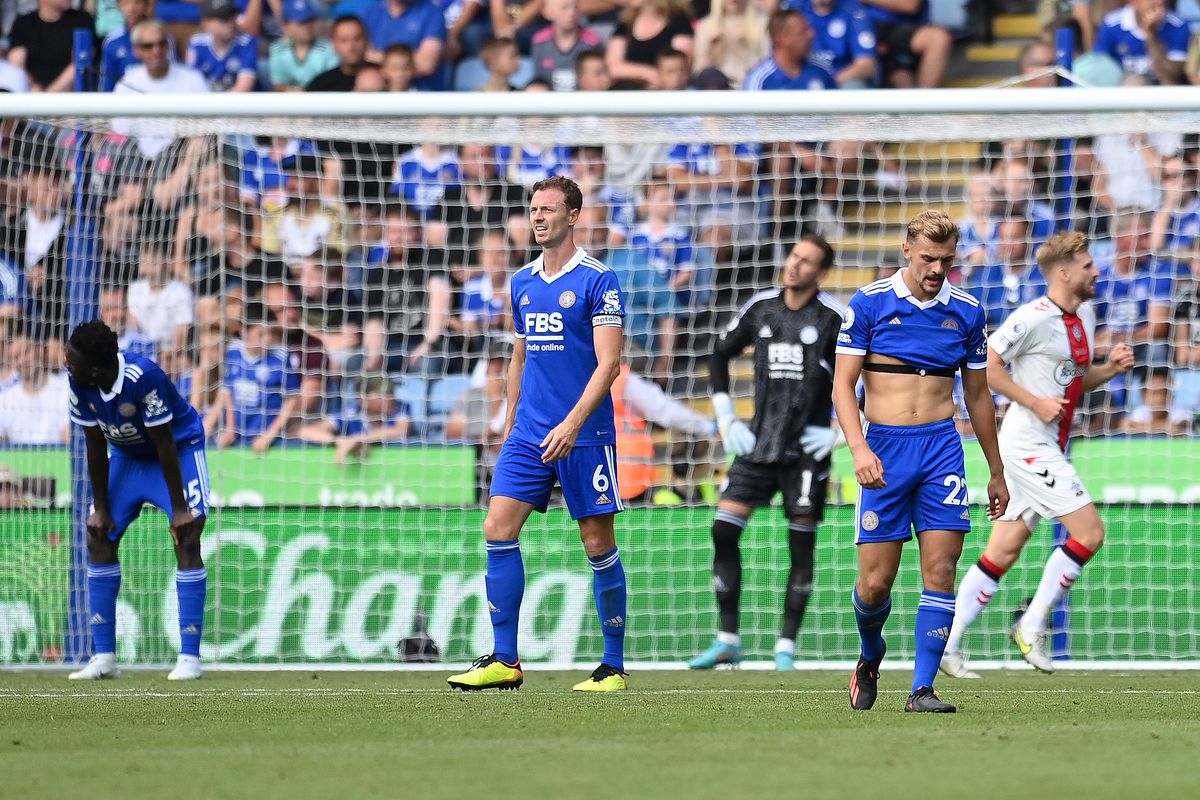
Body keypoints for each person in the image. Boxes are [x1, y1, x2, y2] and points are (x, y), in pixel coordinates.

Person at [446, 175, 628, 692]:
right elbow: (519, 356)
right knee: (497, 529)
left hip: (585, 434)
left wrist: (572, 423)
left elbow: (610, 363)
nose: (538, 218)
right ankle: (505, 660)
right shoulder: (522, 281)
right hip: (529, 432)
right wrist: (508, 425)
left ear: (573, 216)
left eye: (548, 209)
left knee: (597, 543)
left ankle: (612, 665)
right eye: (533, 210)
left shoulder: (598, 279)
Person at [832, 210, 1008, 713]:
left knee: (941, 567)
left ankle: (922, 689)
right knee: (875, 583)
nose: (937, 269)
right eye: (929, 258)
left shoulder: (969, 311)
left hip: (942, 449)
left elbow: (977, 396)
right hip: (884, 449)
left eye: (946, 260)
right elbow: (843, 385)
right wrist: (859, 448)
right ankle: (870, 656)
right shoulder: (869, 303)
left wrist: (996, 470)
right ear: (907, 250)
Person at [940, 231, 1136, 679]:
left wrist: (1110, 370)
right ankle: (1030, 624)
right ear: (1064, 273)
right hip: (1027, 444)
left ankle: (947, 645)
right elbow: (986, 366)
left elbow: (1074, 382)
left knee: (1002, 552)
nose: (1097, 271)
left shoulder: (1084, 316)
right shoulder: (1032, 318)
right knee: (1089, 533)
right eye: (1088, 266)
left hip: (1048, 443)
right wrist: (1032, 401)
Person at [689, 235, 845, 672]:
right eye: (794, 256)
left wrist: (842, 433)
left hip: (807, 453)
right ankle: (727, 639)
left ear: (821, 272)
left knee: (801, 548)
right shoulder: (761, 307)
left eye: (807, 261)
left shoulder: (834, 318)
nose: (795, 266)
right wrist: (725, 416)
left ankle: (785, 648)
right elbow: (719, 353)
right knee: (723, 529)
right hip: (757, 445)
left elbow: (866, 376)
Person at [63, 320, 209, 682]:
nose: (66, 365)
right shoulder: (79, 384)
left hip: (178, 451)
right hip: (127, 458)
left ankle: (190, 657)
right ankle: (104, 658)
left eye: (72, 361)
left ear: (96, 367)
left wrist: (179, 510)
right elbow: (94, 445)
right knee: (98, 535)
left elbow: (164, 443)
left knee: (187, 534)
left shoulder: (144, 377)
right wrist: (101, 509)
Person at [1093, 0, 1188, 85]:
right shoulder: (1112, 24)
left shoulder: (1177, 25)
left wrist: (1151, 35)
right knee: (1134, 82)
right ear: (1133, 2)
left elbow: (1170, 79)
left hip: (1163, 93)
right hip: (1123, 91)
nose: (1160, 2)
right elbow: (1100, 67)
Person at [186, 0, 258, 92]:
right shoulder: (197, 42)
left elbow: (243, 87)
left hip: (236, 103)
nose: (231, 23)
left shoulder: (245, 42)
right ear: (206, 23)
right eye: (224, 19)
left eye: (233, 17)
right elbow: (192, 82)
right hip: (204, 101)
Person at [269, 0, 339, 92]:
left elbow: (332, 83)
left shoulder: (329, 49)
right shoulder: (277, 49)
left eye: (310, 20)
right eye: (301, 22)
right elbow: (278, 85)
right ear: (286, 26)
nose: (307, 26)